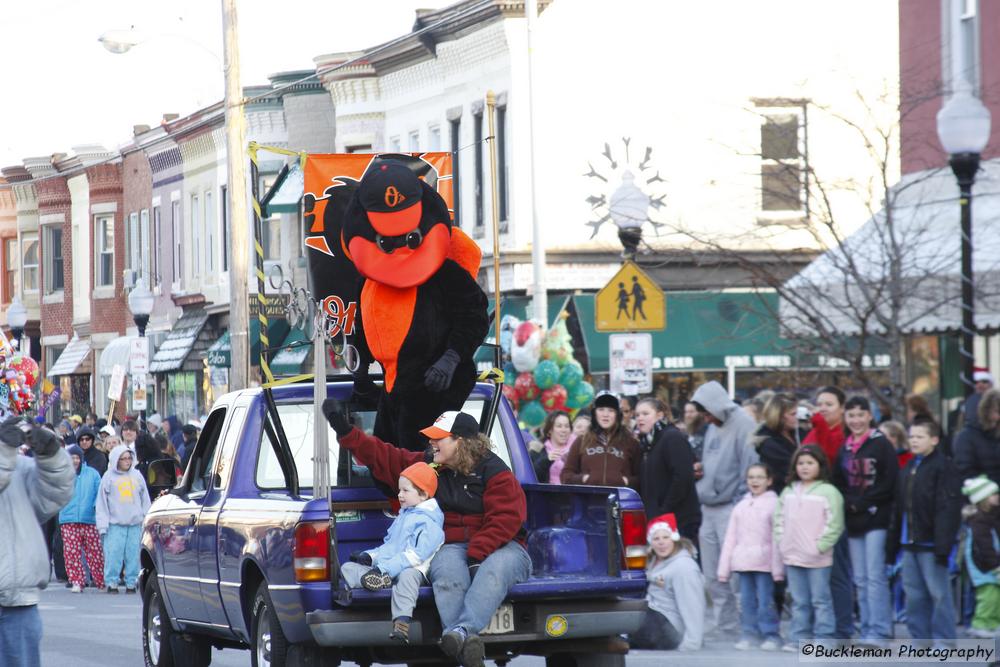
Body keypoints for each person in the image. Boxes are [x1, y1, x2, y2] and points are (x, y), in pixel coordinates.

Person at [324, 402, 530, 667]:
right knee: (446, 577)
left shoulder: (496, 472)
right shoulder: (429, 465)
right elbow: (386, 456)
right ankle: (464, 644)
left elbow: (506, 519)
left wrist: (477, 553)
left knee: (494, 570)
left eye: (438, 438)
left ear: (461, 442)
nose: (432, 443)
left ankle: (460, 633)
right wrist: (346, 432)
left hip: (505, 545)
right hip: (453, 546)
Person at [341, 462, 445, 644]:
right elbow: (389, 547)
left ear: (423, 494)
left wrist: (384, 569)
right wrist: (370, 556)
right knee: (348, 567)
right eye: (399, 490)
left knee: (407, 576)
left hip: (414, 569)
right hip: (387, 567)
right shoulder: (403, 516)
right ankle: (377, 581)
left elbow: (414, 556)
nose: (399, 495)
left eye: (405, 491)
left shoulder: (430, 524)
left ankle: (401, 622)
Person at [0, 418, 74, 667]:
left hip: (17, 599)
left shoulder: (16, 464)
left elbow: (55, 494)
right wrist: (4, 449)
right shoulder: (7, 459)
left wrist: (51, 455)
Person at [690, 380, 759, 637]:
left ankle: (741, 624)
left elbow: (750, 467)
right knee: (712, 571)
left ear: (716, 406)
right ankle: (724, 624)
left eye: (707, 412)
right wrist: (701, 471)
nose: (706, 419)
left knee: (733, 571)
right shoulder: (713, 427)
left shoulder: (744, 425)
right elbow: (712, 460)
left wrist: (741, 503)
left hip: (731, 506)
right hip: (708, 505)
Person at [886, 421, 962, 648]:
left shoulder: (944, 467)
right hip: (908, 543)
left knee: (939, 595)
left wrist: (943, 546)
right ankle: (921, 640)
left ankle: (945, 642)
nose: (914, 440)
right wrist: (892, 547)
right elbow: (899, 509)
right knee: (915, 595)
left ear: (934, 440)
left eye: (920, 436)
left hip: (932, 544)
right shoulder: (908, 468)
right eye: (911, 436)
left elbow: (947, 509)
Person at [833, 396, 897, 647]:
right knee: (859, 577)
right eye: (851, 416)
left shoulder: (881, 444)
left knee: (875, 575)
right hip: (853, 519)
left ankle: (880, 631)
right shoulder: (844, 447)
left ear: (869, 416)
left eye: (861, 415)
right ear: (845, 419)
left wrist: (864, 502)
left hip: (876, 517)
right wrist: (849, 502)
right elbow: (838, 480)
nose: (856, 420)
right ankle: (867, 627)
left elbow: (889, 481)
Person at [774, 445, 845, 650]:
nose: (805, 467)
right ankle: (798, 637)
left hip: (818, 558)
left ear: (820, 465)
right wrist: (782, 542)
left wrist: (820, 546)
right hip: (792, 555)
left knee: (820, 600)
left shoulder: (829, 492)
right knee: (799, 600)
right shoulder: (788, 491)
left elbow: (835, 524)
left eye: (810, 463)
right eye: (801, 463)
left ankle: (824, 638)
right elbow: (778, 518)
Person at [801, 385, 853, 640]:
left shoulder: (843, 434)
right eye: (820, 403)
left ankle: (842, 630)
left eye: (829, 404)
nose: (822, 408)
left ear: (842, 408)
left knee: (837, 574)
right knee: (812, 577)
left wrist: (820, 425)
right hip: (809, 511)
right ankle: (815, 628)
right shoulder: (814, 431)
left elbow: (829, 458)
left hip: (832, 509)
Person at [718, 463, 784, 651]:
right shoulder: (740, 506)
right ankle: (749, 633)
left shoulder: (774, 504)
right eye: (751, 477)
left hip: (765, 563)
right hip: (743, 563)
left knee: (766, 601)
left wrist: (778, 569)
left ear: (769, 481)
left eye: (760, 477)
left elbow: (777, 538)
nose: (755, 481)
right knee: (746, 601)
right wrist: (724, 569)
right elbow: (730, 538)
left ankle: (771, 634)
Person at [628, 513, 704, 651]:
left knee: (628, 614)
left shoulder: (684, 567)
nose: (661, 542)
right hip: (655, 620)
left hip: (668, 628)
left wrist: (692, 643)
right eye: (656, 539)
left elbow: (693, 606)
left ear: (674, 539)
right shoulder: (655, 562)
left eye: (665, 537)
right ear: (651, 544)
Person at [634, 397, 700, 539]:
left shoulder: (672, 437)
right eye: (637, 415)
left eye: (645, 414)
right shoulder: (647, 443)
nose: (640, 418)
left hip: (678, 519)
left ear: (660, 415)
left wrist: (664, 509)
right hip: (658, 520)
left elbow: (682, 478)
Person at [96, 445, 151, 594]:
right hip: (115, 524)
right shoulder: (108, 477)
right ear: (116, 460)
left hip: (135, 523)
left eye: (129, 458)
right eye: (123, 459)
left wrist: (147, 518)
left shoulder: (137, 475)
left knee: (133, 555)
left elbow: (144, 498)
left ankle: (131, 582)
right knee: (113, 553)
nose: (127, 461)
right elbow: (101, 502)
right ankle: (112, 582)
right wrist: (102, 524)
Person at [560, 391, 640, 488]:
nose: (605, 414)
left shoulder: (631, 443)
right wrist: (583, 479)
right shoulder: (581, 441)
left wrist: (626, 481)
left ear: (617, 415)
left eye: (611, 410)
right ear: (594, 413)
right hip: (589, 501)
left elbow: (641, 478)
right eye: (601, 409)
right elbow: (565, 475)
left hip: (620, 500)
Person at [58, 445, 105, 593]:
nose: (75, 460)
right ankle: (77, 581)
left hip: (89, 518)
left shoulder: (92, 474)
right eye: (72, 457)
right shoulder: (62, 474)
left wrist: (95, 507)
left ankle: (100, 580)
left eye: (77, 457)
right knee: (72, 553)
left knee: (95, 552)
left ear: (81, 458)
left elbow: (99, 493)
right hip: (68, 518)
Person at [962, 475, 1000, 638]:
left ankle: (992, 624)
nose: (997, 496)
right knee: (988, 597)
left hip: (990, 565)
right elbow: (984, 547)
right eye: (993, 494)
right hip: (984, 567)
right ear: (983, 498)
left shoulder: (990, 516)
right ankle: (980, 624)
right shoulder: (979, 521)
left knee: (995, 597)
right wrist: (995, 567)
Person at [755, 393, 802, 495]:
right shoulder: (769, 443)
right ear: (779, 416)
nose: (797, 417)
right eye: (793, 414)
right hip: (781, 495)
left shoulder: (796, 432)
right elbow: (790, 469)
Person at [955, 388, 1000, 485]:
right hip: (981, 494)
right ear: (986, 410)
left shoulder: (996, 434)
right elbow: (965, 471)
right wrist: (987, 493)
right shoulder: (966, 437)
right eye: (997, 411)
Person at [531, 410, 574, 485]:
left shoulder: (577, 448)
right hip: (546, 495)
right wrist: (547, 460)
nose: (564, 430)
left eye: (567, 426)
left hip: (572, 494)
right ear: (550, 430)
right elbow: (532, 476)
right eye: (559, 426)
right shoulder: (538, 449)